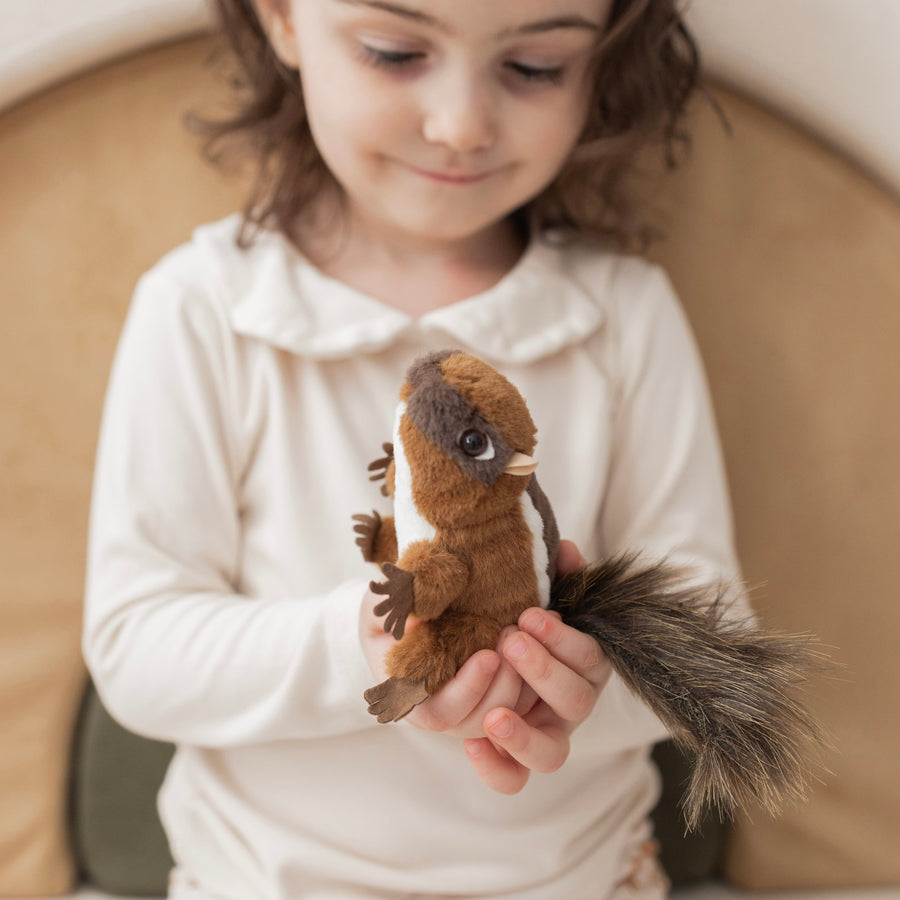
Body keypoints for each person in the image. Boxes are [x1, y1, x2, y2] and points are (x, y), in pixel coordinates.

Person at [83, 1, 745, 898]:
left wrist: (576, 687)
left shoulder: (622, 315)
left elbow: (714, 629)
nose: (461, 124)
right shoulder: (204, 311)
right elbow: (137, 645)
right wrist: (361, 646)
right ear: (280, 17)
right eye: (394, 52)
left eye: (536, 67)